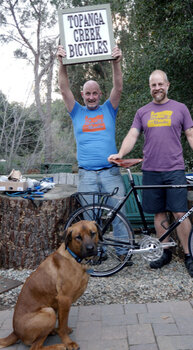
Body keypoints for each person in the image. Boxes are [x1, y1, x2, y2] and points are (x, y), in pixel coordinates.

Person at [108, 69, 193, 277]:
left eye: (160, 84)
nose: (157, 88)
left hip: (174, 170)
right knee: (158, 213)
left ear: (167, 85)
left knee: (180, 214)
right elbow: (132, 134)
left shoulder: (180, 109)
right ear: (150, 88)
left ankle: (190, 255)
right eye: (153, 85)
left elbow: (191, 134)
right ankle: (164, 252)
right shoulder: (142, 112)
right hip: (151, 170)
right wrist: (120, 152)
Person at [57, 45, 130, 259]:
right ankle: (98, 253)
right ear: (82, 95)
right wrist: (61, 63)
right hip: (86, 174)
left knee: (118, 214)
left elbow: (118, 88)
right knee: (90, 219)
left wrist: (116, 62)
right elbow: (63, 89)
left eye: (94, 93)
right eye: (87, 93)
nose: (91, 97)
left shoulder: (109, 109)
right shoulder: (76, 111)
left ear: (99, 94)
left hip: (111, 172)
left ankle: (124, 253)